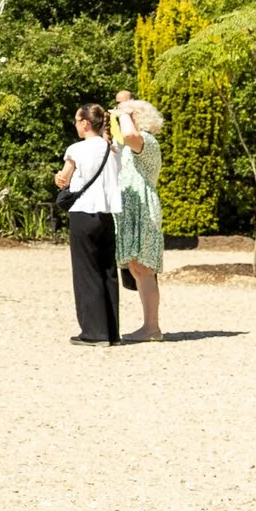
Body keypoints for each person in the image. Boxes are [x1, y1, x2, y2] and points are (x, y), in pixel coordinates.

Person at [57, 103, 123, 345]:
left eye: (77, 121)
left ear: (85, 123)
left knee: (87, 273)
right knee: (108, 272)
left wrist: (59, 179)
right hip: (107, 214)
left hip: (83, 213)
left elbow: (64, 179)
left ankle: (94, 333)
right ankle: (112, 332)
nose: (75, 125)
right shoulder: (112, 149)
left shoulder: (76, 149)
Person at [112, 94, 166, 342]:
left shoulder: (146, 140)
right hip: (130, 208)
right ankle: (149, 326)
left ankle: (152, 327)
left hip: (142, 208)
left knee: (144, 267)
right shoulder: (130, 145)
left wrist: (124, 111)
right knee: (136, 267)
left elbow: (129, 135)